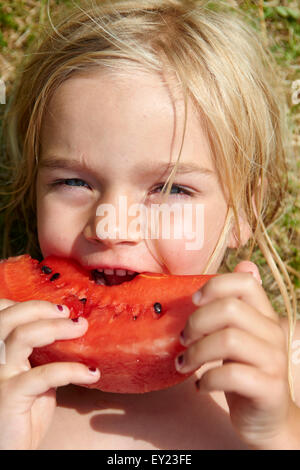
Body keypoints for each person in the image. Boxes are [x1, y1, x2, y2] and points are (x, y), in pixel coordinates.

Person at [0, 0, 299, 450]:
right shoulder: (7, 372)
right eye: (74, 181)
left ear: (242, 212)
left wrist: (279, 431)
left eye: (172, 189)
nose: (111, 226)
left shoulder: (289, 367)